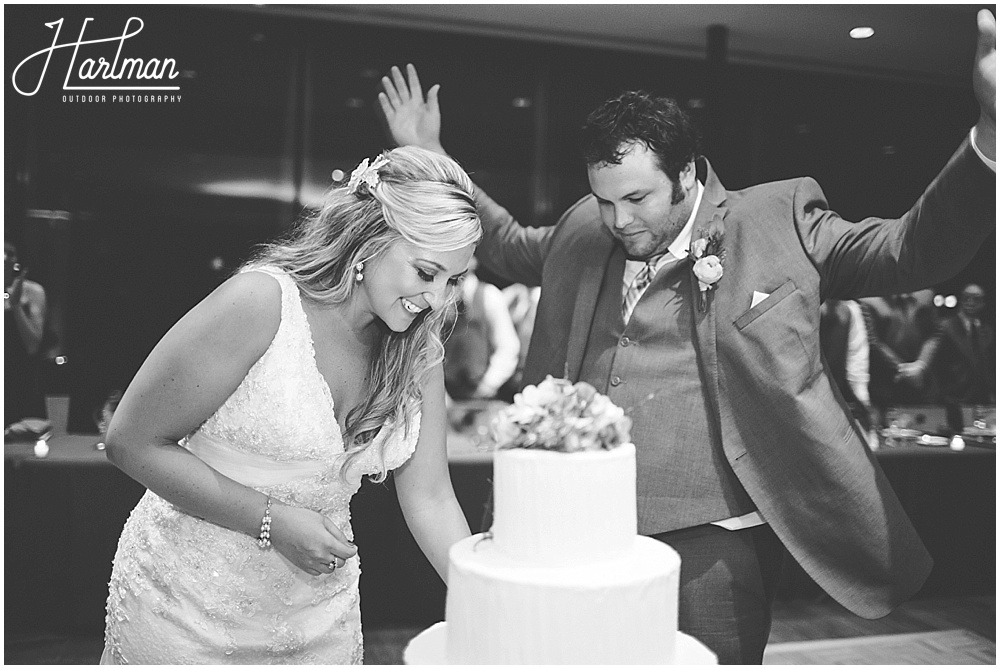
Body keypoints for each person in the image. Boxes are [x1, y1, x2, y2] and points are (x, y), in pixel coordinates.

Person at [377, 10, 995, 664]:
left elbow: (910, 251)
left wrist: (990, 133)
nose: (618, 219)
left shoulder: (777, 220)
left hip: (711, 539)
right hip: (579, 525)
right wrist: (433, 156)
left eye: (637, 199)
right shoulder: (587, 229)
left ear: (690, 175)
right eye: (604, 199)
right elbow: (502, 241)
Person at [101, 146, 482, 664]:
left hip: (320, 620)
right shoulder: (260, 304)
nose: (437, 299)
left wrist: (486, 598)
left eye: (454, 280)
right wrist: (271, 520)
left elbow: (431, 498)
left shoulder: (420, 351)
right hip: (186, 611)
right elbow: (131, 442)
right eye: (425, 272)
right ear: (369, 242)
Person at [916, 283, 995, 431]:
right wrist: (921, 365)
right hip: (955, 400)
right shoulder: (946, 326)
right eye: (966, 298)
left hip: (983, 401)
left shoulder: (987, 330)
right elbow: (931, 348)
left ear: (983, 303)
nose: (970, 302)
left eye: (976, 299)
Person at [442, 255, 520, 400]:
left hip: (482, 391)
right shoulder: (440, 297)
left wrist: (489, 384)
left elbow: (508, 346)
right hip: (446, 391)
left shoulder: (489, 295)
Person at [860, 289, 938, 411]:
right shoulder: (869, 300)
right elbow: (874, 342)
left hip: (921, 383)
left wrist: (920, 366)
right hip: (886, 383)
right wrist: (904, 370)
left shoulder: (926, 295)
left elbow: (932, 335)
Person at [4, 240, 48, 429]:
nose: (5, 257)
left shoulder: (33, 291)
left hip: (22, 383)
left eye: (9, 253)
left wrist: (16, 307)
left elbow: (33, 346)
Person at [820, 299, 874, 433]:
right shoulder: (799, 308)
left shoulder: (850, 310)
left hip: (836, 398)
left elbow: (856, 362)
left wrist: (864, 404)